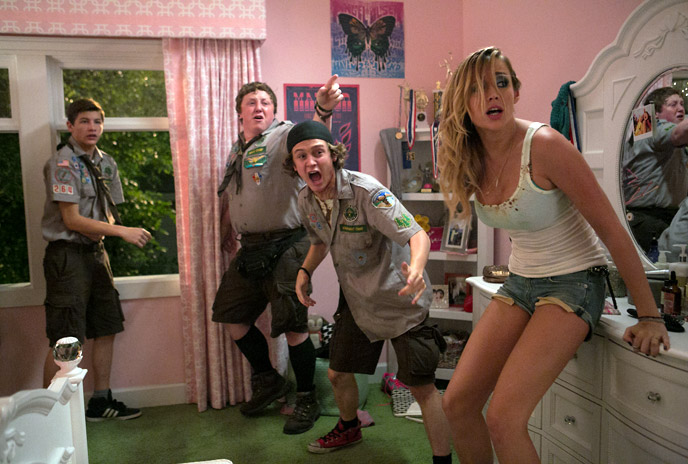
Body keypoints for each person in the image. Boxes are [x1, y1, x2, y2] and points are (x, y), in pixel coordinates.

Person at [436, 47, 671, 463]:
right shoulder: (471, 156)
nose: (492, 95)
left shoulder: (545, 145)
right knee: (457, 403)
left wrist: (650, 316)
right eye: (477, 88)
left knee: (504, 419)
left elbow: (613, 231)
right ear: (463, 103)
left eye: (501, 83)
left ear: (516, 91)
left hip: (575, 281)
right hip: (521, 282)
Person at [286, 120, 453, 463]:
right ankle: (349, 428)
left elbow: (416, 234)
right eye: (301, 156)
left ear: (333, 156)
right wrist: (305, 271)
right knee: (337, 373)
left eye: (318, 153)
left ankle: (443, 459)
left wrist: (417, 268)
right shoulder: (306, 200)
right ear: (294, 165)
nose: (310, 162)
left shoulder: (367, 192)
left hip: (401, 299)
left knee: (422, 388)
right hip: (358, 300)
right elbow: (321, 240)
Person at [211, 77, 342, 435]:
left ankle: (306, 398)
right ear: (239, 113)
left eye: (265, 102)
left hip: (287, 244)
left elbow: (313, 137)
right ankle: (269, 380)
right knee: (231, 316)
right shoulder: (236, 150)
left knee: (294, 328)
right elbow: (234, 195)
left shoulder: (283, 136)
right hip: (250, 247)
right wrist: (226, 230)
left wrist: (323, 109)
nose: (259, 107)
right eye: (251, 102)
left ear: (273, 110)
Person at [41, 98, 152, 421]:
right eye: (84, 121)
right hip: (67, 256)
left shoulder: (106, 163)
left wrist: (109, 231)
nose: (92, 128)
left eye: (97, 122)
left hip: (96, 254)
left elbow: (108, 210)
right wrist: (121, 232)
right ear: (70, 126)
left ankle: (100, 402)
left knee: (106, 325)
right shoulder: (63, 163)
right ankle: (50, 415)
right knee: (66, 337)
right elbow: (72, 220)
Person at [622, 86, 688, 252]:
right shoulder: (654, 126)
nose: (681, 108)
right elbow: (680, 133)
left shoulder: (643, 129)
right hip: (649, 220)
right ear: (655, 113)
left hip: (649, 218)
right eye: (673, 104)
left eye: (682, 104)